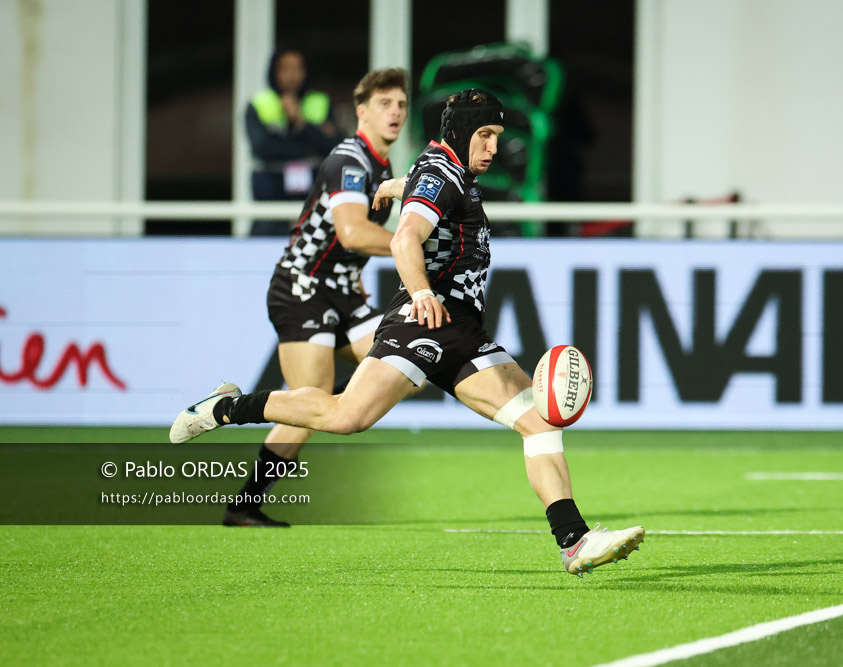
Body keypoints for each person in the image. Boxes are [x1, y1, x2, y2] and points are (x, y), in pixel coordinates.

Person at [170, 90, 645, 576]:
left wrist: (400, 185)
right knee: (345, 417)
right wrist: (420, 291)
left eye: (497, 136)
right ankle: (226, 406)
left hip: (462, 330)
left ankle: (574, 540)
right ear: (460, 134)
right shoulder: (443, 174)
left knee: (538, 421)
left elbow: (428, 186)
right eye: (485, 135)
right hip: (423, 322)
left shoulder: (447, 169)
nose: (494, 147)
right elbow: (404, 237)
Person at [216, 67, 410, 527]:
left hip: (341, 293)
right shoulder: (349, 160)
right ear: (361, 112)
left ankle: (336, 409)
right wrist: (414, 247)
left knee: (408, 365)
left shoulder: (379, 167)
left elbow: (344, 240)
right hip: (302, 288)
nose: (396, 112)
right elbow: (351, 231)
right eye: (385, 104)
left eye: (401, 104)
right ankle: (235, 448)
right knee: (313, 399)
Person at [246, 48, 344, 236]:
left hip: (314, 201)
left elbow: (335, 147)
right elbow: (262, 147)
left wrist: (302, 123)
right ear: (274, 72)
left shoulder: (320, 102)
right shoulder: (259, 103)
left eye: (297, 69)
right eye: (285, 69)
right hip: (270, 203)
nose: (291, 76)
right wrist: (311, 143)